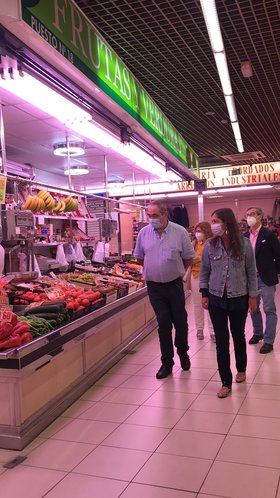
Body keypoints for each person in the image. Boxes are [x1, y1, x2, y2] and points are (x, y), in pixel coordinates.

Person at [200, 208, 258, 398]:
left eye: (216, 221)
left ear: (227, 222)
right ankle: (225, 381)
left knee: (238, 335)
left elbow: (251, 271)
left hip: (239, 297)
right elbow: (205, 272)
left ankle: (241, 368)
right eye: (212, 221)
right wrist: (204, 293)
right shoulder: (210, 245)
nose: (213, 225)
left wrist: (252, 296)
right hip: (216, 298)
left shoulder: (244, 244)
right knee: (221, 340)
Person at [134, 199, 194, 379]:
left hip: (174, 284)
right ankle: (167, 363)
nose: (151, 219)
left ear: (164, 214)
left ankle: (183, 351)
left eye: (155, 216)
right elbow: (139, 257)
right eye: (149, 215)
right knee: (163, 323)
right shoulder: (144, 233)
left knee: (180, 321)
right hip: (154, 287)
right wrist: (155, 267)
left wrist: (175, 270)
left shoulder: (180, 232)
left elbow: (189, 257)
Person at [245, 207, 280, 353]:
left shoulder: (269, 235)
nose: (249, 217)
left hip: (265, 278)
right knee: (253, 308)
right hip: (250, 279)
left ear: (260, 217)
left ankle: (269, 340)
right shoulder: (245, 236)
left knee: (269, 309)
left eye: (252, 214)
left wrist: (275, 272)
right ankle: (258, 333)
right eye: (247, 215)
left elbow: (278, 256)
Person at [190, 222, 215, 341]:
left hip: (210, 276)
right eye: (196, 231)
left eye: (200, 231)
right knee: (197, 304)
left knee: (210, 303)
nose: (198, 233)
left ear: (206, 231)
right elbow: (188, 258)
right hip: (195, 275)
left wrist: (199, 259)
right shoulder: (194, 244)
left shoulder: (213, 243)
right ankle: (199, 329)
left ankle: (213, 331)